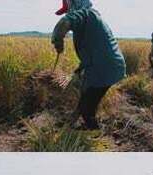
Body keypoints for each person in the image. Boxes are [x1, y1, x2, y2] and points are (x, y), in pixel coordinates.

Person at [51, 0, 126, 130]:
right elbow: (93, 49)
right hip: (105, 65)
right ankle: (71, 122)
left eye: (68, 9)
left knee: (87, 109)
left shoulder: (85, 14)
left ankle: (95, 134)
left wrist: (58, 41)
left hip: (104, 68)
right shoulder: (92, 18)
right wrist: (79, 69)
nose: (68, 12)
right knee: (86, 94)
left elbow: (63, 24)